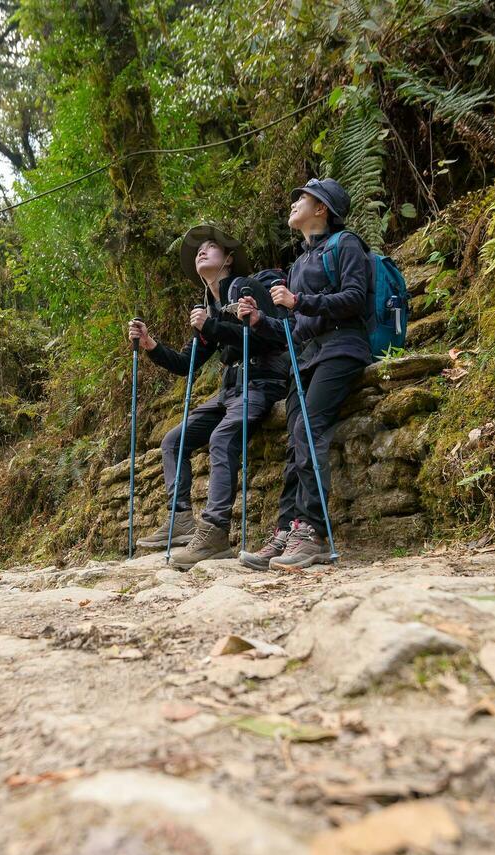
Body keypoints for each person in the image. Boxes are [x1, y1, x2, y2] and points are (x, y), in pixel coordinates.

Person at [127, 225, 289, 570]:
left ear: (229, 259)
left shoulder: (245, 288)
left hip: (261, 381)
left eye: (211, 247)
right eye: (199, 249)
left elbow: (270, 337)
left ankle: (214, 533)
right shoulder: (208, 306)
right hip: (230, 389)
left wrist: (211, 327)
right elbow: (188, 364)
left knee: (222, 436)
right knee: (174, 440)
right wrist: (151, 345)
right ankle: (180, 519)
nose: (201, 251)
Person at [235, 178, 372, 570]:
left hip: (342, 347)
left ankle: (312, 531)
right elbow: (293, 331)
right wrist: (260, 321)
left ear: (322, 209)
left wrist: (300, 301)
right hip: (307, 356)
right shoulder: (297, 265)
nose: (294, 202)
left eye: (303, 198)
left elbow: (355, 298)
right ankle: (287, 529)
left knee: (307, 429)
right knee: (295, 441)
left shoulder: (345, 245)